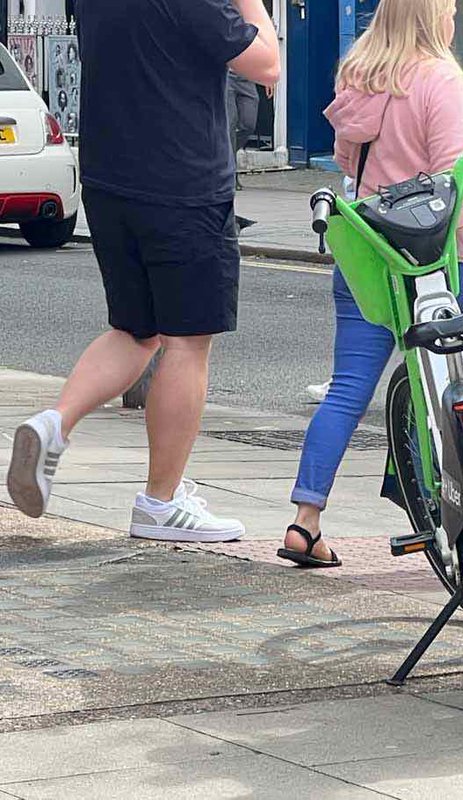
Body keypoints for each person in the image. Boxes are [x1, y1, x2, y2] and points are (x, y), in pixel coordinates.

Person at [5, 0, 280, 542]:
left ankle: (54, 423)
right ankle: (161, 502)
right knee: (187, 342)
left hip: (110, 180)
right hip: (184, 183)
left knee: (136, 330)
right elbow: (266, 63)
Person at [278, 0, 463, 568]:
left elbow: (346, 165)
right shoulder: (441, 81)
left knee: (348, 389)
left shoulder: (358, 76)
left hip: (369, 255)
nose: (455, 16)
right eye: (449, 6)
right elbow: (462, 182)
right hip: (433, 263)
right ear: (432, 16)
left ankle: (305, 520)